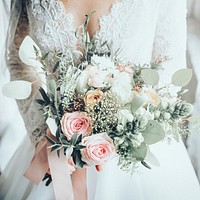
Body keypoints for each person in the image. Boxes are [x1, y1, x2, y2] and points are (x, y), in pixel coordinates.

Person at [1, 0, 200, 199]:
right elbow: (19, 60)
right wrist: (41, 134)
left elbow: (170, 67)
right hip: (55, 144)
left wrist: (122, 129)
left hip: (135, 152)